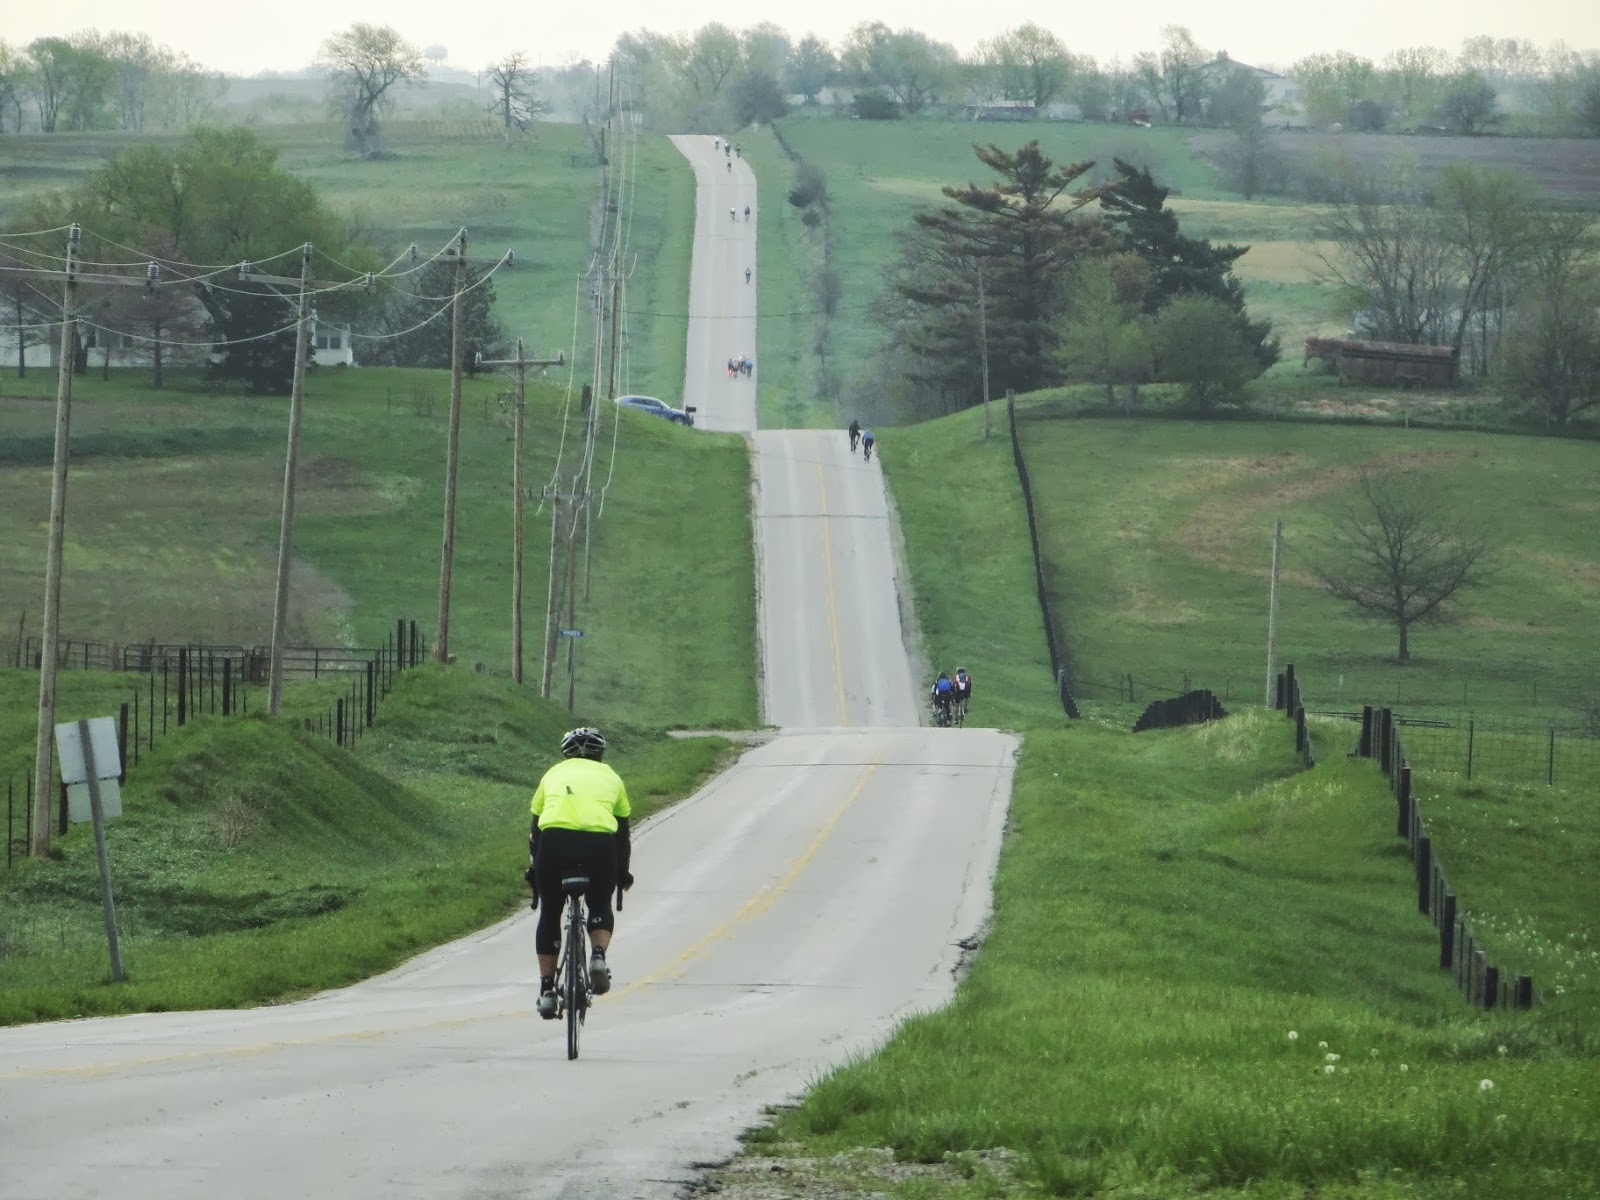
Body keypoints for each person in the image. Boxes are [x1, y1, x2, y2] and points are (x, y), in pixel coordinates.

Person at [527, 726, 633, 1019]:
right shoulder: (612, 777)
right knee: (600, 902)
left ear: (565, 755)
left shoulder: (552, 775)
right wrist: (621, 873)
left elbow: (535, 831)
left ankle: (547, 990)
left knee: (550, 912)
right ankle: (597, 956)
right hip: (599, 846)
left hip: (554, 844)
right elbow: (622, 835)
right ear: (599, 755)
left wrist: (534, 870)